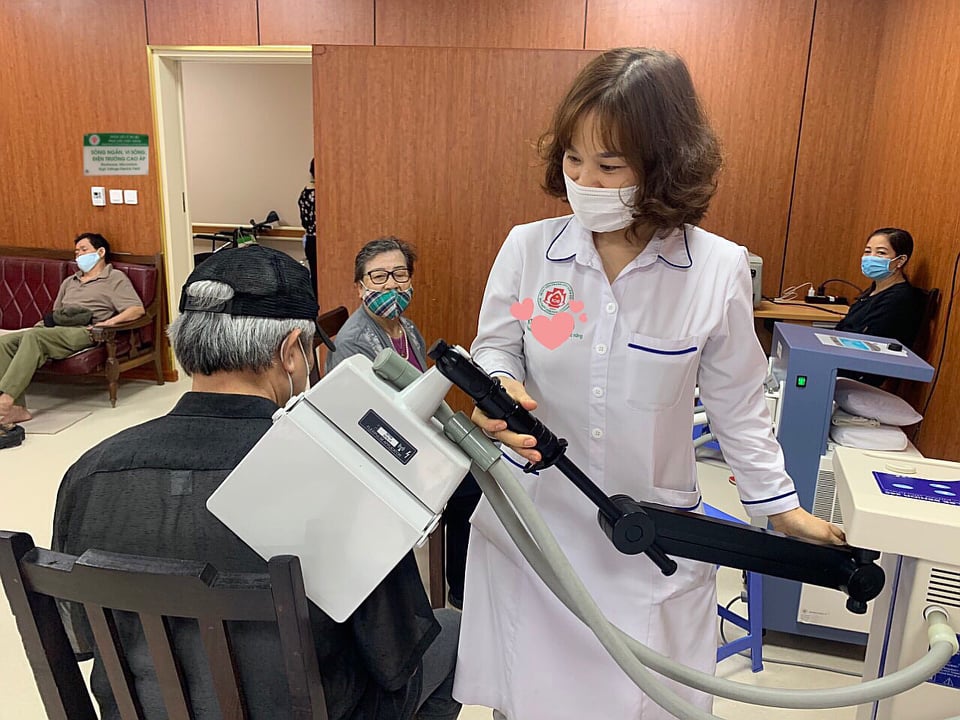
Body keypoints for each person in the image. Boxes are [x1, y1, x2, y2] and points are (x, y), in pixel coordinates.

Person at [454, 48, 844, 720]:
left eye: (609, 165)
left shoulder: (715, 271)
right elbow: (498, 344)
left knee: (638, 700)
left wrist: (780, 506)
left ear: (664, 163)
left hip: (647, 537)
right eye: (573, 159)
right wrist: (500, 382)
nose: (584, 181)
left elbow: (738, 405)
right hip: (536, 527)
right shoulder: (529, 250)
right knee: (527, 699)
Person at [52, 245, 461, 720]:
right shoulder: (341, 480)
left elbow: (82, 634)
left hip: (142, 711)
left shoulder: (89, 473)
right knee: (454, 634)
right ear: (291, 353)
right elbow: (395, 655)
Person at [326, 237, 482, 610]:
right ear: (360, 286)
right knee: (468, 487)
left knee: (475, 471)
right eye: (378, 277)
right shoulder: (354, 342)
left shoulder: (406, 328)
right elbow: (363, 417)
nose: (391, 285)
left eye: (399, 274)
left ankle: (461, 583)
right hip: (380, 446)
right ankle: (460, 590)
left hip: (411, 432)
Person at [0, 233, 144, 447]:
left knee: (33, 337)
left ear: (100, 252)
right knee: (4, 342)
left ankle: (5, 399)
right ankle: (17, 409)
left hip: (85, 330)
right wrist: (42, 325)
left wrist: (108, 323)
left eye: (84, 250)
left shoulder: (115, 278)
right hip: (57, 329)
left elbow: (136, 309)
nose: (79, 255)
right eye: (76, 252)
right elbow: (57, 312)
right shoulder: (70, 281)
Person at [835, 228, 927, 383]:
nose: (871, 257)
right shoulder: (872, 291)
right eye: (867, 251)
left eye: (881, 253)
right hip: (841, 360)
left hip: (857, 373)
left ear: (900, 260)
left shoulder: (898, 298)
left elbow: (867, 342)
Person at [299, 157, 318, 292]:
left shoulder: (305, 194)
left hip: (311, 240)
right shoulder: (327, 194)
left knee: (316, 280)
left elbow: (305, 222)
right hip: (323, 241)